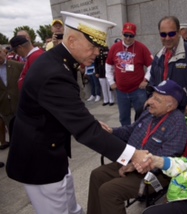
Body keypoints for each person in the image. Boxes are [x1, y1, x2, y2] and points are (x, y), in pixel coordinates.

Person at [5, 11, 151, 214]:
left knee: (71, 208)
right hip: (39, 162)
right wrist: (133, 154)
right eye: (92, 46)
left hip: (52, 153)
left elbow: (69, 109)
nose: (97, 52)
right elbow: (84, 130)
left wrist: (88, 121)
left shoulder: (60, 62)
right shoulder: (54, 72)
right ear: (72, 40)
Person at [87, 80, 187, 214]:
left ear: (170, 106)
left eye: (157, 99)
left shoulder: (178, 123)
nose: (150, 101)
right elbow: (130, 130)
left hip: (153, 174)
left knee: (109, 191)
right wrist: (112, 131)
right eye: (152, 96)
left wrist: (136, 165)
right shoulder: (149, 112)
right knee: (97, 175)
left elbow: (169, 155)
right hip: (131, 160)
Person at [149, 16, 187, 140]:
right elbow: (153, 82)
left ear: (178, 33)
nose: (167, 38)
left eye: (171, 33)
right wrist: (151, 99)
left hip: (185, 110)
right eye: (163, 34)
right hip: (165, 110)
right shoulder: (159, 56)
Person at [106, 22, 153, 126]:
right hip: (121, 91)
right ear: (122, 34)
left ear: (134, 35)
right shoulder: (115, 47)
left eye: (131, 36)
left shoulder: (141, 48)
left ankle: (141, 136)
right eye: (126, 35)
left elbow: (151, 65)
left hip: (138, 90)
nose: (128, 38)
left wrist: (146, 80)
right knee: (123, 117)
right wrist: (111, 82)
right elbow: (108, 66)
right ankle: (126, 137)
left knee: (143, 116)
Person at [0, 45, 23, 150]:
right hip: (5, 107)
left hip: (20, 105)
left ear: (4, 52)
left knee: (26, 132)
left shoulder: (18, 66)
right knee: (13, 134)